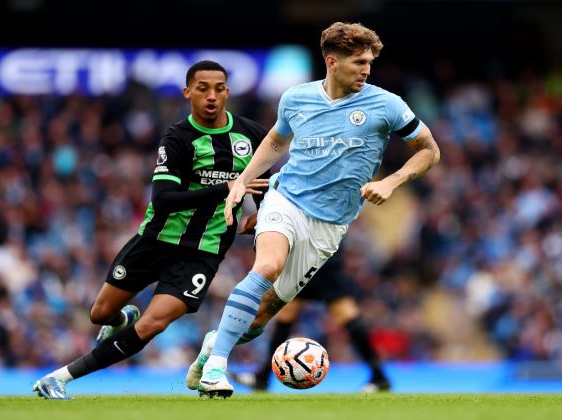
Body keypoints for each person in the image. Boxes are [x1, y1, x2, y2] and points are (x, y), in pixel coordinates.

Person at [189, 22, 441, 398]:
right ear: (332, 62)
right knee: (268, 265)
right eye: (359, 62)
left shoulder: (385, 104)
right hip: (286, 199)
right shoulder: (296, 98)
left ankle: (214, 345)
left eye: (370, 62)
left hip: (330, 227)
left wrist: (391, 181)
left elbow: (429, 150)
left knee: (262, 317)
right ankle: (216, 368)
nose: (366, 69)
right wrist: (243, 180)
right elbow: (276, 141)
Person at [32, 60, 270, 399]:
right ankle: (119, 319)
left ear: (228, 92)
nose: (212, 96)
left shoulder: (251, 135)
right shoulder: (177, 138)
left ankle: (58, 378)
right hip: (156, 240)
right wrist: (229, 188)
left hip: (204, 250)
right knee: (100, 314)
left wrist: (261, 216)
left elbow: (264, 184)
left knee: (154, 323)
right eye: (203, 88)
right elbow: (164, 199)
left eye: (219, 88)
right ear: (188, 92)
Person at [230, 241, 391, 393]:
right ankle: (263, 375)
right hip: (307, 252)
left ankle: (379, 376)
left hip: (320, 251)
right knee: (287, 313)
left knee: (344, 312)